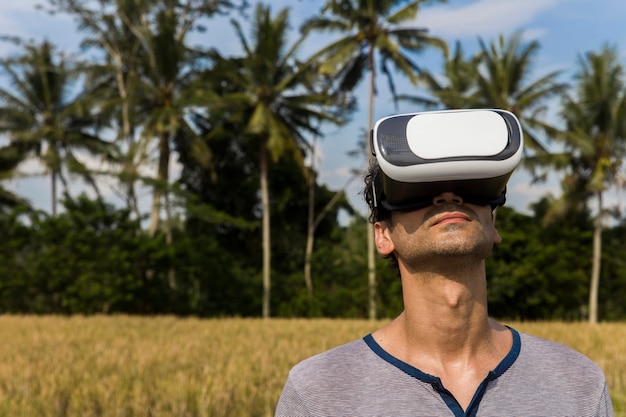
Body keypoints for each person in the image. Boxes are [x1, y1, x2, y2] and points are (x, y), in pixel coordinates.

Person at [274, 109, 614, 417]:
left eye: (471, 185)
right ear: (383, 236)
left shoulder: (578, 384)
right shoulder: (318, 392)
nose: (448, 196)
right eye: (415, 188)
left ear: (493, 225)